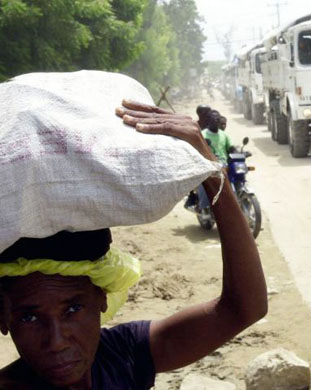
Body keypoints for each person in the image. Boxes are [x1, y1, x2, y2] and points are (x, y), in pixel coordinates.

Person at [0, 99, 267, 390]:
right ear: (3, 316)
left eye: (73, 309)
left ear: (101, 297)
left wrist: (212, 172)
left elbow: (243, 309)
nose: (56, 341)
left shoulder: (122, 355)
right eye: (28, 317)